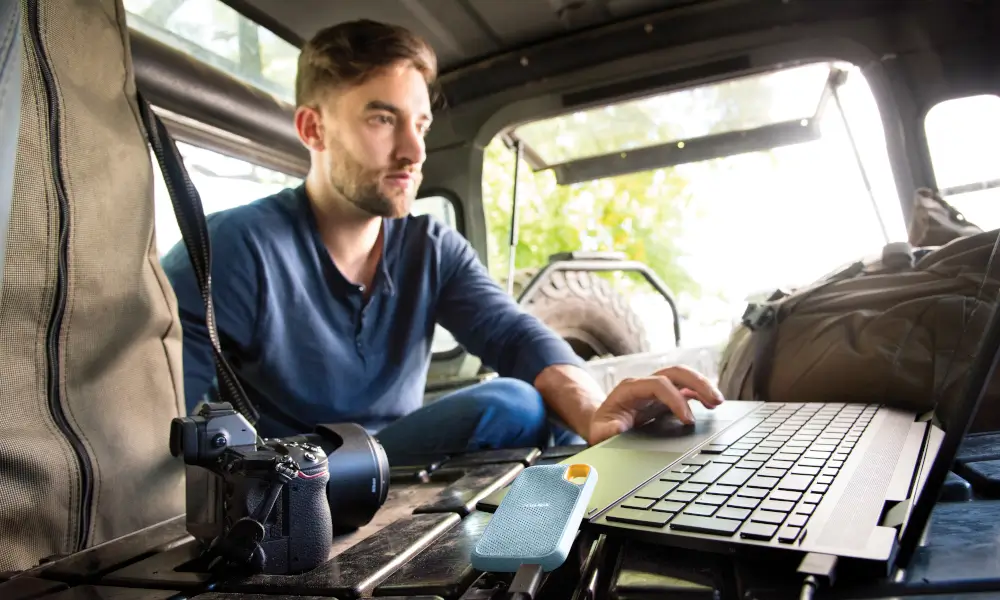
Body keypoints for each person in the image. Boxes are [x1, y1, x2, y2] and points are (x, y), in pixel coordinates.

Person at [161, 18, 723, 463]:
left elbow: (516, 337)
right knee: (513, 404)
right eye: (383, 120)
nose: (414, 151)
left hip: (407, 462)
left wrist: (596, 411)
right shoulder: (233, 248)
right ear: (313, 129)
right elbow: (166, 420)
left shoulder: (431, 247)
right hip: (298, 483)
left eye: (421, 124)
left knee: (550, 405)